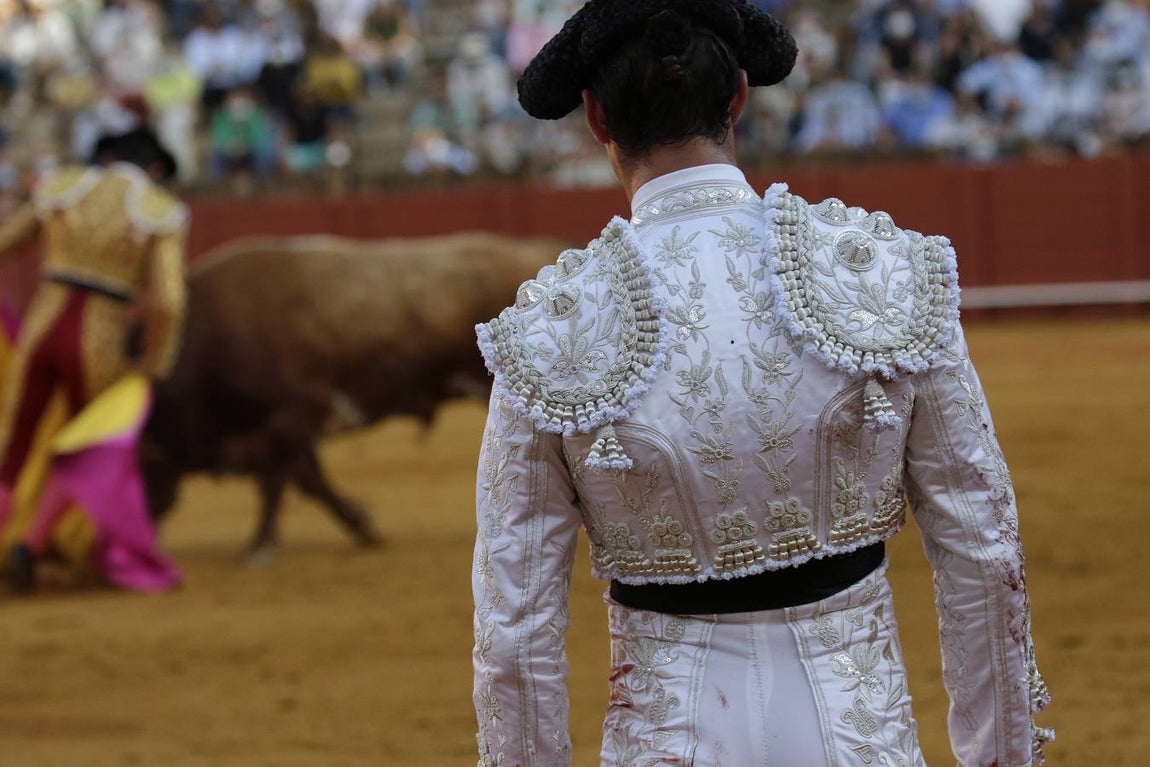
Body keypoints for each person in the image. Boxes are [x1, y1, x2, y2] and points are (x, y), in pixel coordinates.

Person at [470, 2, 1054, 766]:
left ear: (596, 118)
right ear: (740, 94)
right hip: (861, 739)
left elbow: (514, 632)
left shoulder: (547, 332)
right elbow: (984, 554)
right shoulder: (887, 274)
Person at [0, 126, 186, 592]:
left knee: (12, 448)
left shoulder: (63, 187)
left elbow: (5, 243)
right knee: (86, 453)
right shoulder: (160, 212)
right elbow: (169, 302)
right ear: (156, 170)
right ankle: (31, 545)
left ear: (109, 159)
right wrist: (153, 364)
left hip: (41, 330)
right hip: (98, 342)